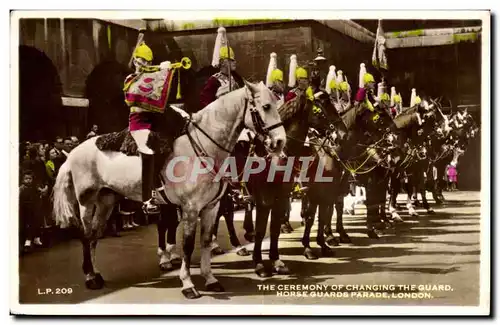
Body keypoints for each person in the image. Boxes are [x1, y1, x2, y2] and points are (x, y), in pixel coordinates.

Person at [124, 41, 172, 215]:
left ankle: (159, 177)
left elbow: (160, 96)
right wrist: (161, 73)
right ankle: (146, 198)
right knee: (147, 150)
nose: (145, 64)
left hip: (154, 121)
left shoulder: (153, 76)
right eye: (142, 60)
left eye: (148, 62)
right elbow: (138, 97)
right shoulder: (131, 79)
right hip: (138, 121)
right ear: (136, 61)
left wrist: (165, 73)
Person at [199, 27, 243, 108]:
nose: (235, 62)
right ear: (222, 62)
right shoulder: (214, 80)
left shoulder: (237, 78)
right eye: (231, 60)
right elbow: (205, 102)